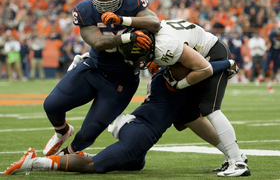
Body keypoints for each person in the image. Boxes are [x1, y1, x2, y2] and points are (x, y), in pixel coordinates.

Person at [4, 44, 244, 176]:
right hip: (140, 132)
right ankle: (35, 163)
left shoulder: (161, 76)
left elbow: (190, 114)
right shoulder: (171, 75)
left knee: (136, 163)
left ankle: (72, 152)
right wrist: (227, 63)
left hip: (135, 124)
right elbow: (203, 69)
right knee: (94, 166)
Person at [63, 21, 250, 177]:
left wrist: (227, 64)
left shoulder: (166, 49)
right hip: (201, 55)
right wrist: (90, 56)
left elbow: (204, 67)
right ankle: (232, 154)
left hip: (210, 55)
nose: (152, 67)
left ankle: (239, 162)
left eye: (154, 64)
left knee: (210, 108)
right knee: (188, 117)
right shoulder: (152, 38)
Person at [42, 0, 160, 158]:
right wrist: (129, 36)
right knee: (51, 105)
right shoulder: (85, 9)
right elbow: (97, 42)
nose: (106, 2)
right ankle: (62, 131)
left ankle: (63, 158)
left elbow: (155, 23)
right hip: (94, 68)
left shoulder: (134, 0)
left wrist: (123, 20)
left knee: (89, 133)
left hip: (122, 80)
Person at [258, 22, 280, 93]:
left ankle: (270, 84)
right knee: (265, 67)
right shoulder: (273, 34)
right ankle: (261, 77)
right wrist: (265, 47)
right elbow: (268, 40)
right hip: (271, 52)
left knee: (275, 70)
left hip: (278, 54)